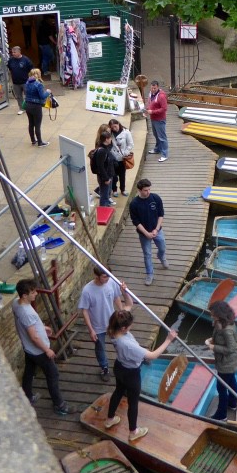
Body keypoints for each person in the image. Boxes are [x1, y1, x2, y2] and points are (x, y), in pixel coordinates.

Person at [103, 310, 177, 443]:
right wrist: (168, 340)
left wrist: (126, 293)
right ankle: (133, 432)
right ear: (124, 328)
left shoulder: (112, 329)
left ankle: (109, 420)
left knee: (118, 391)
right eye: (130, 325)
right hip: (131, 374)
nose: (132, 327)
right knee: (133, 403)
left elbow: (128, 306)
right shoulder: (127, 345)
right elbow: (152, 355)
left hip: (119, 366)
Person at [12, 278, 69, 416]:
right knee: (53, 374)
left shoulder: (16, 303)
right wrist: (47, 350)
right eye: (32, 292)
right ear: (25, 295)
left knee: (29, 372)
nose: (36, 294)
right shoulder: (27, 312)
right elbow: (34, 336)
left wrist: (42, 328)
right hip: (38, 351)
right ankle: (59, 405)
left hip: (28, 348)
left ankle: (27, 397)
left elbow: (28, 326)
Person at [78, 267, 132, 381]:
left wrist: (121, 312)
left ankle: (129, 360)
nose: (107, 278)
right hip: (97, 326)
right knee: (100, 348)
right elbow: (85, 310)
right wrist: (91, 329)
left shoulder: (111, 282)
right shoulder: (87, 290)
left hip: (112, 322)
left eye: (108, 275)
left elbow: (116, 297)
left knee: (122, 342)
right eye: (104, 276)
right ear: (96, 276)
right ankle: (104, 368)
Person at [205, 300, 237, 420]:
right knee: (231, 382)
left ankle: (221, 415)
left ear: (219, 314)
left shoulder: (227, 329)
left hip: (228, 363)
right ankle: (232, 404)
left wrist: (213, 347)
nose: (211, 315)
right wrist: (212, 339)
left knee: (221, 388)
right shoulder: (224, 322)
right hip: (229, 361)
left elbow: (231, 348)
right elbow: (221, 337)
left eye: (213, 314)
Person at [128, 178, 167, 285]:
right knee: (147, 254)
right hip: (144, 233)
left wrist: (157, 229)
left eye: (149, 189)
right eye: (145, 190)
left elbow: (161, 214)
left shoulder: (156, 198)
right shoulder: (134, 204)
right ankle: (150, 274)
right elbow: (135, 221)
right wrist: (146, 233)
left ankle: (161, 256)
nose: (148, 192)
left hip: (157, 230)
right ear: (139, 190)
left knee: (162, 248)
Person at [23, 68, 52, 147]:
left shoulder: (27, 82)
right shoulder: (38, 84)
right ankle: (40, 142)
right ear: (38, 74)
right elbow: (42, 96)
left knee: (31, 124)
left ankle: (33, 140)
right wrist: (48, 92)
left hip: (27, 105)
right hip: (36, 106)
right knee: (37, 125)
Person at [108, 118, 134, 196]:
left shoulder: (126, 132)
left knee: (122, 174)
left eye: (115, 126)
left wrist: (125, 153)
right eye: (112, 127)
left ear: (118, 124)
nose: (114, 129)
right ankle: (114, 189)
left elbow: (130, 144)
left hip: (122, 157)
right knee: (113, 175)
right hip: (113, 157)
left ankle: (123, 189)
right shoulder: (109, 133)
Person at [6, 45, 34, 114]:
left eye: (14, 52)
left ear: (19, 52)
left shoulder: (26, 60)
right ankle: (22, 108)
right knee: (18, 96)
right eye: (12, 52)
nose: (13, 54)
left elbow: (32, 69)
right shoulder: (11, 60)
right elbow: (10, 68)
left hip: (25, 82)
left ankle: (30, 108)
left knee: (28, 95)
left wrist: (31, 79)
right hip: (16, 82)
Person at [146, 80, 169, 162]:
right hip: (153, 118)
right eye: (152, 88)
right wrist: (147, 110)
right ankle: (157, 149)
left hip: (160, 119)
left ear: (158, 87)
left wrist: (152, 112)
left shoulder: (161, 96)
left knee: (162, 137)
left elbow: (164, 108)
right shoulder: (150, 93)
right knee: (156, 135)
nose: (153, 90)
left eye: (154, 88)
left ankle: (165, 154)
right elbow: (149, 103)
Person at [92, 130, 116, 207]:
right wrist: (106, 178)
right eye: (110, 138)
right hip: (105, 176)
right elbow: (100, 166)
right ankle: (103, 208)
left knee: (107, 193)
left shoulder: (106, 147)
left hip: (110, 174)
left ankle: (107, 205)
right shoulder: (102, 151)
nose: (111, 140)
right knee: (104, 195)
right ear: (106, 139)